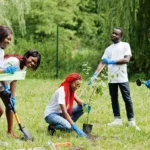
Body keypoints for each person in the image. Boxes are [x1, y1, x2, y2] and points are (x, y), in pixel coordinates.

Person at [88, 27, 140, 130]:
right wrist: (94, 75)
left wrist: (113, 61)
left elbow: (127, 59)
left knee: (127, 99)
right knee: (114, 99)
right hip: (111, 79)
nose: (114, 35)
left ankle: (131, 121)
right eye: (113, 33)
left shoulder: (125, 45)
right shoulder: (108, 49)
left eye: (116, 34)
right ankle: (117, 120)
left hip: (122, 78)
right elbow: (103, 62)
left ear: (120, 36)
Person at [0, 49, 41, 138]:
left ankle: (10, 132)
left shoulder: (24, 67)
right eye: (32, 60)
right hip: (1, 83)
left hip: (2, 86)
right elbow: (1, 72)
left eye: (35, 63)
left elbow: (14, 80)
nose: (33, 63)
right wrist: (6, 87)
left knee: (10, 105)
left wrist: (13, 97)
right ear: (27, 56)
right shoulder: (14, 61)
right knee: (0, 111)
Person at [44, 73, 91, 137]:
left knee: (82, 108)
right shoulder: (62, 91)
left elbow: (79, 102)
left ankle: (69, 123)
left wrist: (86, 106)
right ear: (71, 82)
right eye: (76, 84)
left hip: (61, 113)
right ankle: (52, 126)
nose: (77, 87)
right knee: (69, 127)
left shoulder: (70, 90)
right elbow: (65, 112)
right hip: (51, 115)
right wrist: (75, 127)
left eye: (79, 86)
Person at [0, 25, 18, 118]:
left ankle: (10, 131)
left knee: (5, 108)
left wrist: (6, 86)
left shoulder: (1, 50)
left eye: (10, 39)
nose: (9, 42)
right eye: (8, 39)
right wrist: (6, 70)